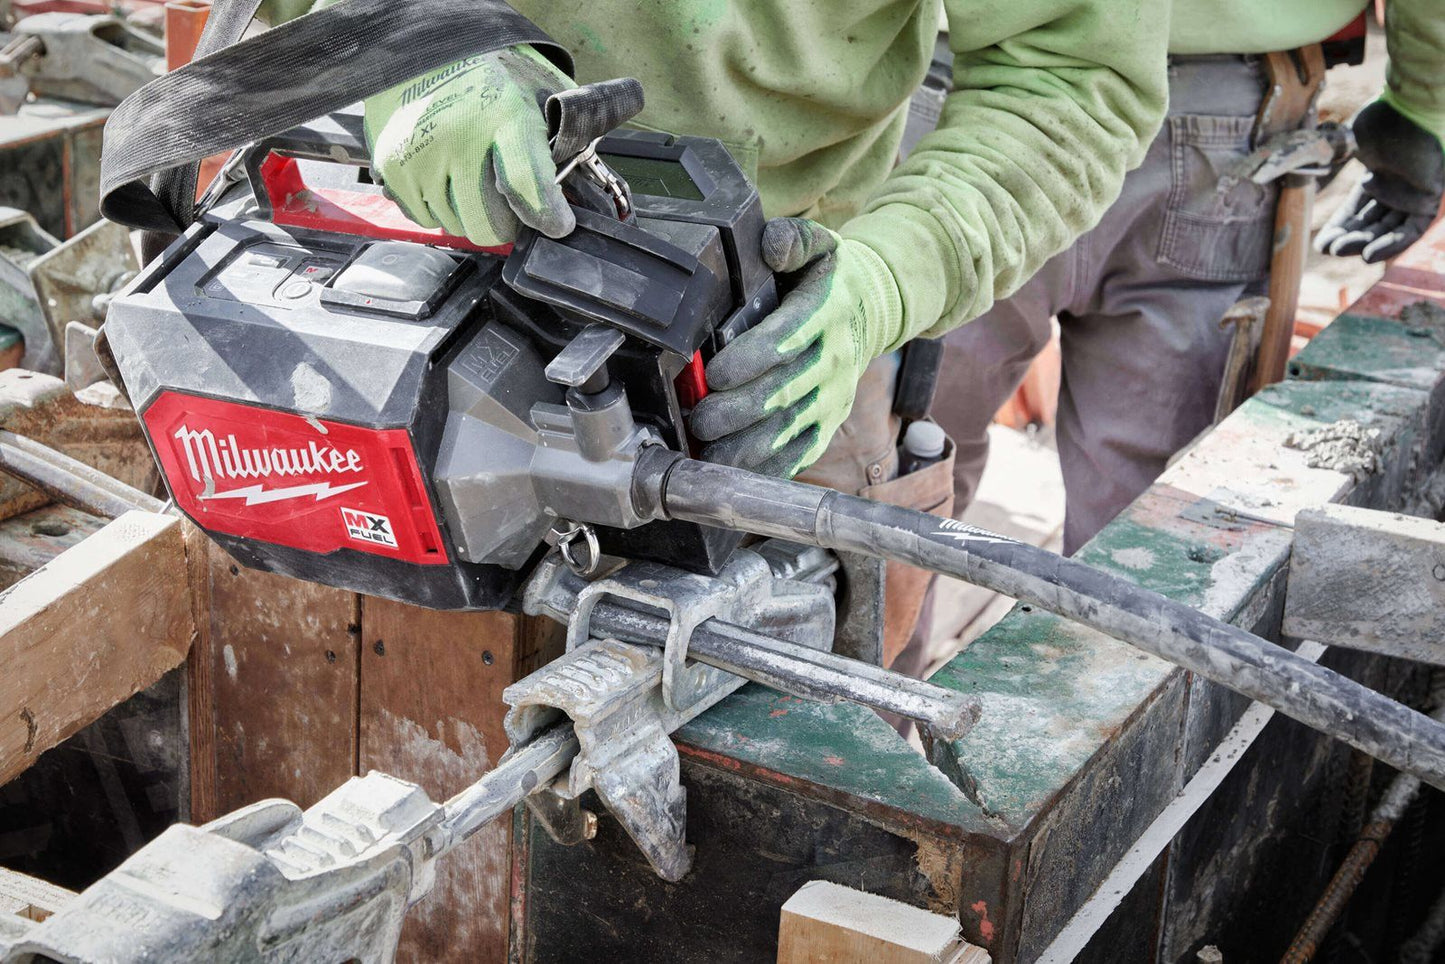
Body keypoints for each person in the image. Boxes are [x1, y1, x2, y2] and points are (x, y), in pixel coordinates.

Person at [258, 0, 1170, 671]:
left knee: (790, 785)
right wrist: (410, 42)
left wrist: (892, 278)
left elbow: (1071, 75)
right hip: (405, 274)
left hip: (771, 344)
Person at [929, 2, 1445, 562]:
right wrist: (1425, 103)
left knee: (905, 471)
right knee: (1145, 536)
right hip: (1221, 108)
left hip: (976, 75)